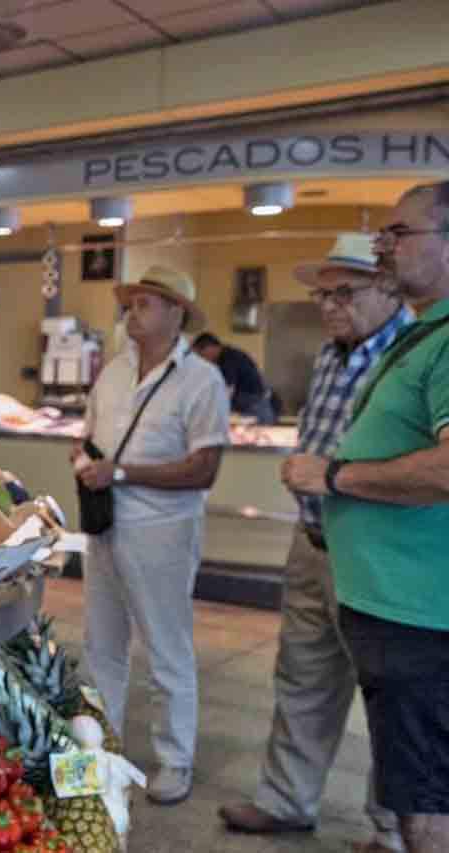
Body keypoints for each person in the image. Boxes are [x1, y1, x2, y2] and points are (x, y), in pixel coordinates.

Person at [219, 233, 412, 851]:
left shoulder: (414, 355)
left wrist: (327, 474)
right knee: (302, 678)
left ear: (386, 285)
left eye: (344, 292)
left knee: (390, 694)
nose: (330, 305)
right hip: (312, 542)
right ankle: (286, 801)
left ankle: (394, 830)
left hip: (381, 552)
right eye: (323, 294)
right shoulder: (332, 354)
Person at [283, 182, 449, 853]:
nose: (388, 245)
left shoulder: (434, 343)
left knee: (423, 784)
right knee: (403, 760)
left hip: (415, 604)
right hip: (369, 585)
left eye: (398, 233)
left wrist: (337, 475)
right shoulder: (411, 343)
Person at [75, 265, 229, 806]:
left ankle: (175, 759)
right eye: (131, 302)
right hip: (106, 527)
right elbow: (88, 435)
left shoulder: (201, 380)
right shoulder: (113, 372)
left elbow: (204, 468)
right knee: (102, 646)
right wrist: (85, 458)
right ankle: (103, 748)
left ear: (176, 313)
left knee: (166, 648)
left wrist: (120, 473)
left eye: (146, 303)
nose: (132, 311)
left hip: (163, 532)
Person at [192, 332, 276, 424]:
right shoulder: (221, 359)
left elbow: (228, 391)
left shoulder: (228, 357)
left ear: (210, 347)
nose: (202, 359)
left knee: (257, 434)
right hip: (245, 403)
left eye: (201, 354)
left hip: (254, 404)